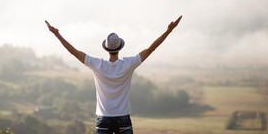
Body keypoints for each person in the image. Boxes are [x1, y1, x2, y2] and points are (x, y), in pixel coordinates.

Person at [45, 16, 182, 134]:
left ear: (106, 48)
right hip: (123, 118)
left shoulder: (97, 64)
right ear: (120, 47)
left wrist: (57, 34)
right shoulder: (128, 64)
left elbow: (73, 52)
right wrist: (168, 31)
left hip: (103, 118)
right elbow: (151, 49)